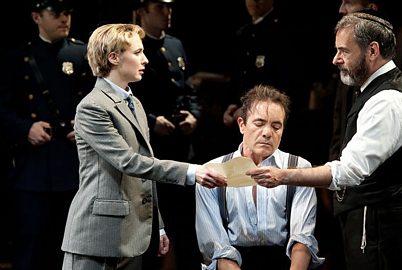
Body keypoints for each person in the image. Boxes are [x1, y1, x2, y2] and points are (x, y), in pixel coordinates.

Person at [247, 13, 402, 270]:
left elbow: (349, 171)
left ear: (372, 50)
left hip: (380, 231)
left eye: (343, 51)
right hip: (369, 226)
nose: (336, 59)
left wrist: (283, 176)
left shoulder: (388, 101)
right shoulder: (371, 90)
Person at [60, 23, 227, 270]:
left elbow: (144, 171)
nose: (146, 59)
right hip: (97, 238)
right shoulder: (92, 107)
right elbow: (129, 162)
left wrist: (156, 225)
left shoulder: (134, 103)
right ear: (114, 58)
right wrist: (192, 171)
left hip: (132, 235)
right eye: (137, 53)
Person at [325, 1, 402, 268]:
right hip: (352, 189)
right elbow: (341, 116)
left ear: (371, 6)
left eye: (349, 2)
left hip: (388, 199)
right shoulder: (350, 56)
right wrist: (334, 170)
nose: (341, 8)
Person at [0, 1, 94, 269]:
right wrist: (25, 128)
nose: (64, 18)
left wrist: (86, 126)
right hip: (34, 165)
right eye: (56, 14)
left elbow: (100, 100)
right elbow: (3, 108)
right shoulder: (18, 58)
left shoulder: (83, 53)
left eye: (67, 13)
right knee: (31, 247)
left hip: (75, 164)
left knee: (72, 248)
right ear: (36, 17)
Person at [196, 85, 324, 270]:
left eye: (276, 126)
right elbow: (216, 248)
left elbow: (302, 238)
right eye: (259, 123)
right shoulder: (212, 171)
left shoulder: (299, 168)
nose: (267, 133)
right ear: (242, 125)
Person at [131, 0, 203, 268]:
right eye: (160, 7)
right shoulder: (132, 46)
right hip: (151, 150)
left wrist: (194, 115)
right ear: (142, 11)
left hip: (181, 147)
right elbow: (128, 95)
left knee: (186, 224)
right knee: (151, 227)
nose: (167, 13)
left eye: (170, 7)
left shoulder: (174, 44)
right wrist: (151, 121)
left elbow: (188, 89)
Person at [220, 0, 321, 161]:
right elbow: (237, 78)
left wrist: (246, 110)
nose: (254, 1)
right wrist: (231, 106)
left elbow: (289, 85)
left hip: (273, 122)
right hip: (245, 122)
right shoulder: (243, 33)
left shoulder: (285, 33)